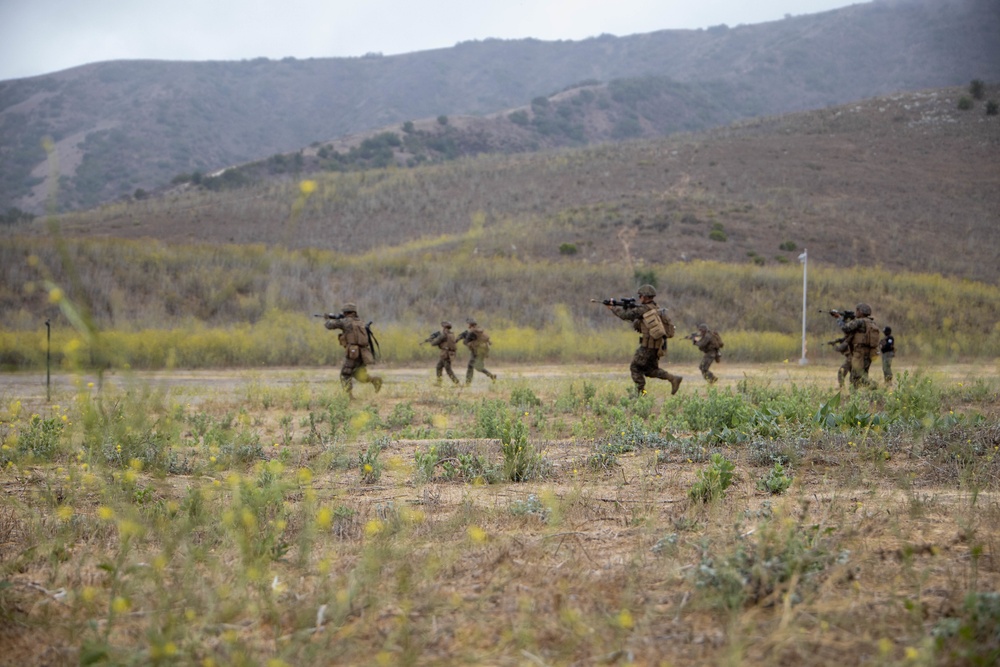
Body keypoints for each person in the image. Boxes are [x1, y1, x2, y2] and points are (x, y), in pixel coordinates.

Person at [604, 284, 682, 396]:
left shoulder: (643, 309)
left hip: (647, 347)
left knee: (635, 368)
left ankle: (641, 393)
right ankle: (673, 379)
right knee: (650, 370)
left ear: (644, 297)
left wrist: (612, 308)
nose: (639, 298)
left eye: (640, 296)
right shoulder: (656, 307)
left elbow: (626, 315)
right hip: (656, 347)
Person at [324, 303, 382, 398]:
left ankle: (348, 397)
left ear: (346, 312)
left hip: (353, 352)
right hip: (363, 353)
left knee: (345, 373)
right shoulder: (360, 321)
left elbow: (329, 325)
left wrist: (328, 318)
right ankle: (374, 380)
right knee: (359, 374)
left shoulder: (345, 322)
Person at [838, 302, 880, 389]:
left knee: (854, 378)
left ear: (861, 312)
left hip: (859, 353)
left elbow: (846, 328)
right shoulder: (872, 323)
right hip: (869, 353)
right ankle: (871, 391)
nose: (856, 312)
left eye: (857, 310)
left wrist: (839, 319)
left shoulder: (860, 322)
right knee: (863, 375)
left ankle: (858, 396)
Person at [459, 317, 496, 385]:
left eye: (468, 324)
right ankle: (492, 376)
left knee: (470, 366)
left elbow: (465, 342)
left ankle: (467, 383)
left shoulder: (472, 332)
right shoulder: (479, 330)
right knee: (478, 367)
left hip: (476, 351)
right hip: (482, 351)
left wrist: (464, 337)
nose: (467, 325)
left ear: (470, 325)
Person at [425, 321, 460, 386]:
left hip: (445, 354)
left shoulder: (444, 335)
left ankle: (457, 383)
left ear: (444, 327)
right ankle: (439, 383)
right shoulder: (451, 334)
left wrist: (430, 340)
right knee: (438, 367)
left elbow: (434, 343)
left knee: (448, 370)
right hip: (448, 354)